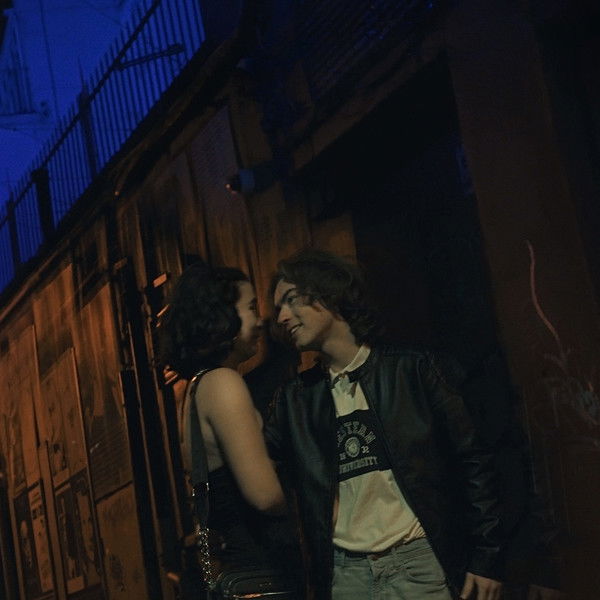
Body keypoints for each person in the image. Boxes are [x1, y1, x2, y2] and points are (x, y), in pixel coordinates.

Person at [267, 248, 504, 600]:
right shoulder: (295, 400)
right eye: (277, 309)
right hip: (345, 575)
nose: (282, 317)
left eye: (290, 299)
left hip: (419, 563)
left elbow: (474, 461)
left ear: (328, 292)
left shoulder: (412, 371)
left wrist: (487, 557)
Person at [160, 262, 287, 574]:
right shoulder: (223, 383)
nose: (260, 320)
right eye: (251, 308)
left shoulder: (198, 387)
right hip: (261, 568)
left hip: (237, 567)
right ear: (222, 317)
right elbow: (265, 496)